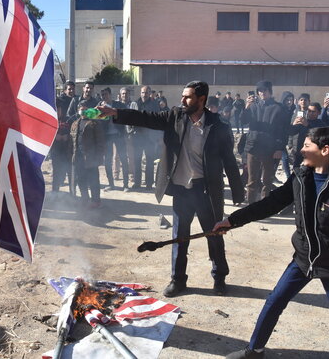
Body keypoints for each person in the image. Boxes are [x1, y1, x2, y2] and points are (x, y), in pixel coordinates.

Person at [213, 127, 329, 359]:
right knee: (274, 301)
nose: (301, 149)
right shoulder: (300, 177)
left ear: (325, 150)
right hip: (303, 259)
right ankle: (254, 351)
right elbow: (270, 203)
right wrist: (232, 220)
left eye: (307, 145)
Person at [99, 80, 245, 296]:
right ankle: (178, 280)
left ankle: (219, 277)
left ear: (201, 99)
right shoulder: (175, 116)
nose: (182, 100)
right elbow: (145, 118)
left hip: (205, 190)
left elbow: (229, 160)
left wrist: (237, 191)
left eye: (188, 97)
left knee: (214, 234)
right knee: (179, 236)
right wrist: (115, 112)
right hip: (181, 190)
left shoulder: (217, 126)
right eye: (183, 96)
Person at [241, 80, 290, 203]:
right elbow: (243, 121)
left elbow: (282, 131)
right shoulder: (253, 106)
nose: (262, 93)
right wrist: (246, 107)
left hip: (270, 148)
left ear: (270, 91)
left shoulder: (278, 108)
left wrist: (279, 148)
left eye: (265, 90)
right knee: (251, 180)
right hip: (253, 147)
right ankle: (250, 206)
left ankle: (264, 207)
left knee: (267, 180)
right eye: (260, 91)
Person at [70, 100, 105, 208]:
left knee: (93, 180)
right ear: (78, 110)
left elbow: (100, 142)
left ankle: (96, 201)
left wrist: (99, 156)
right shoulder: (75, 123)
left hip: (91, 157)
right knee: (81, 179)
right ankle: (84, 198)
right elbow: (71, 141)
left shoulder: (94, 123)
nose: (83, 111)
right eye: (81, 109)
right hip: (78, 157)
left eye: (86, 109)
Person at [99, 87, 128, 191]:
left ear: (110, 94)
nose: (104, 96)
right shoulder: (99, 106)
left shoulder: (118, 104)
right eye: (102, 95)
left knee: (123, 159)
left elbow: (125, 114)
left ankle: (126, 184)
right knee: (107, 160)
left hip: (119, 134)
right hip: (107, 136)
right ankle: (111, 184)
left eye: (106, 94)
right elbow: (96, 119)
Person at [132, 85, 160, 190]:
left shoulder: (154, 104)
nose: (145, 94)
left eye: (147, 92)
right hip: (137, 137)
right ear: (140, 93)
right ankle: (137, 183)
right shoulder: (135, 103)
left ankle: (149, 184)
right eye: (143, 92)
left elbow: (157, 120)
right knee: (137, 160)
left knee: (149, 161)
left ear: (150, 93)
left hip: (150, 138)